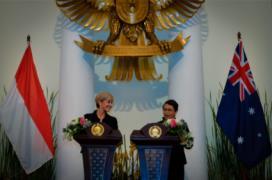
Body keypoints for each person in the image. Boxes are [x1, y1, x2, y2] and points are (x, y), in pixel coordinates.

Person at [159, 99, 192, 180]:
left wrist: (181, 133)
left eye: (169, 110)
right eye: (165, 109)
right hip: (161, 162)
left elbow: (189, 145)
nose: (166, 112)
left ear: (175, 111)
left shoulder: (181, 125)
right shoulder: (157, 126)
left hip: (177, 162)